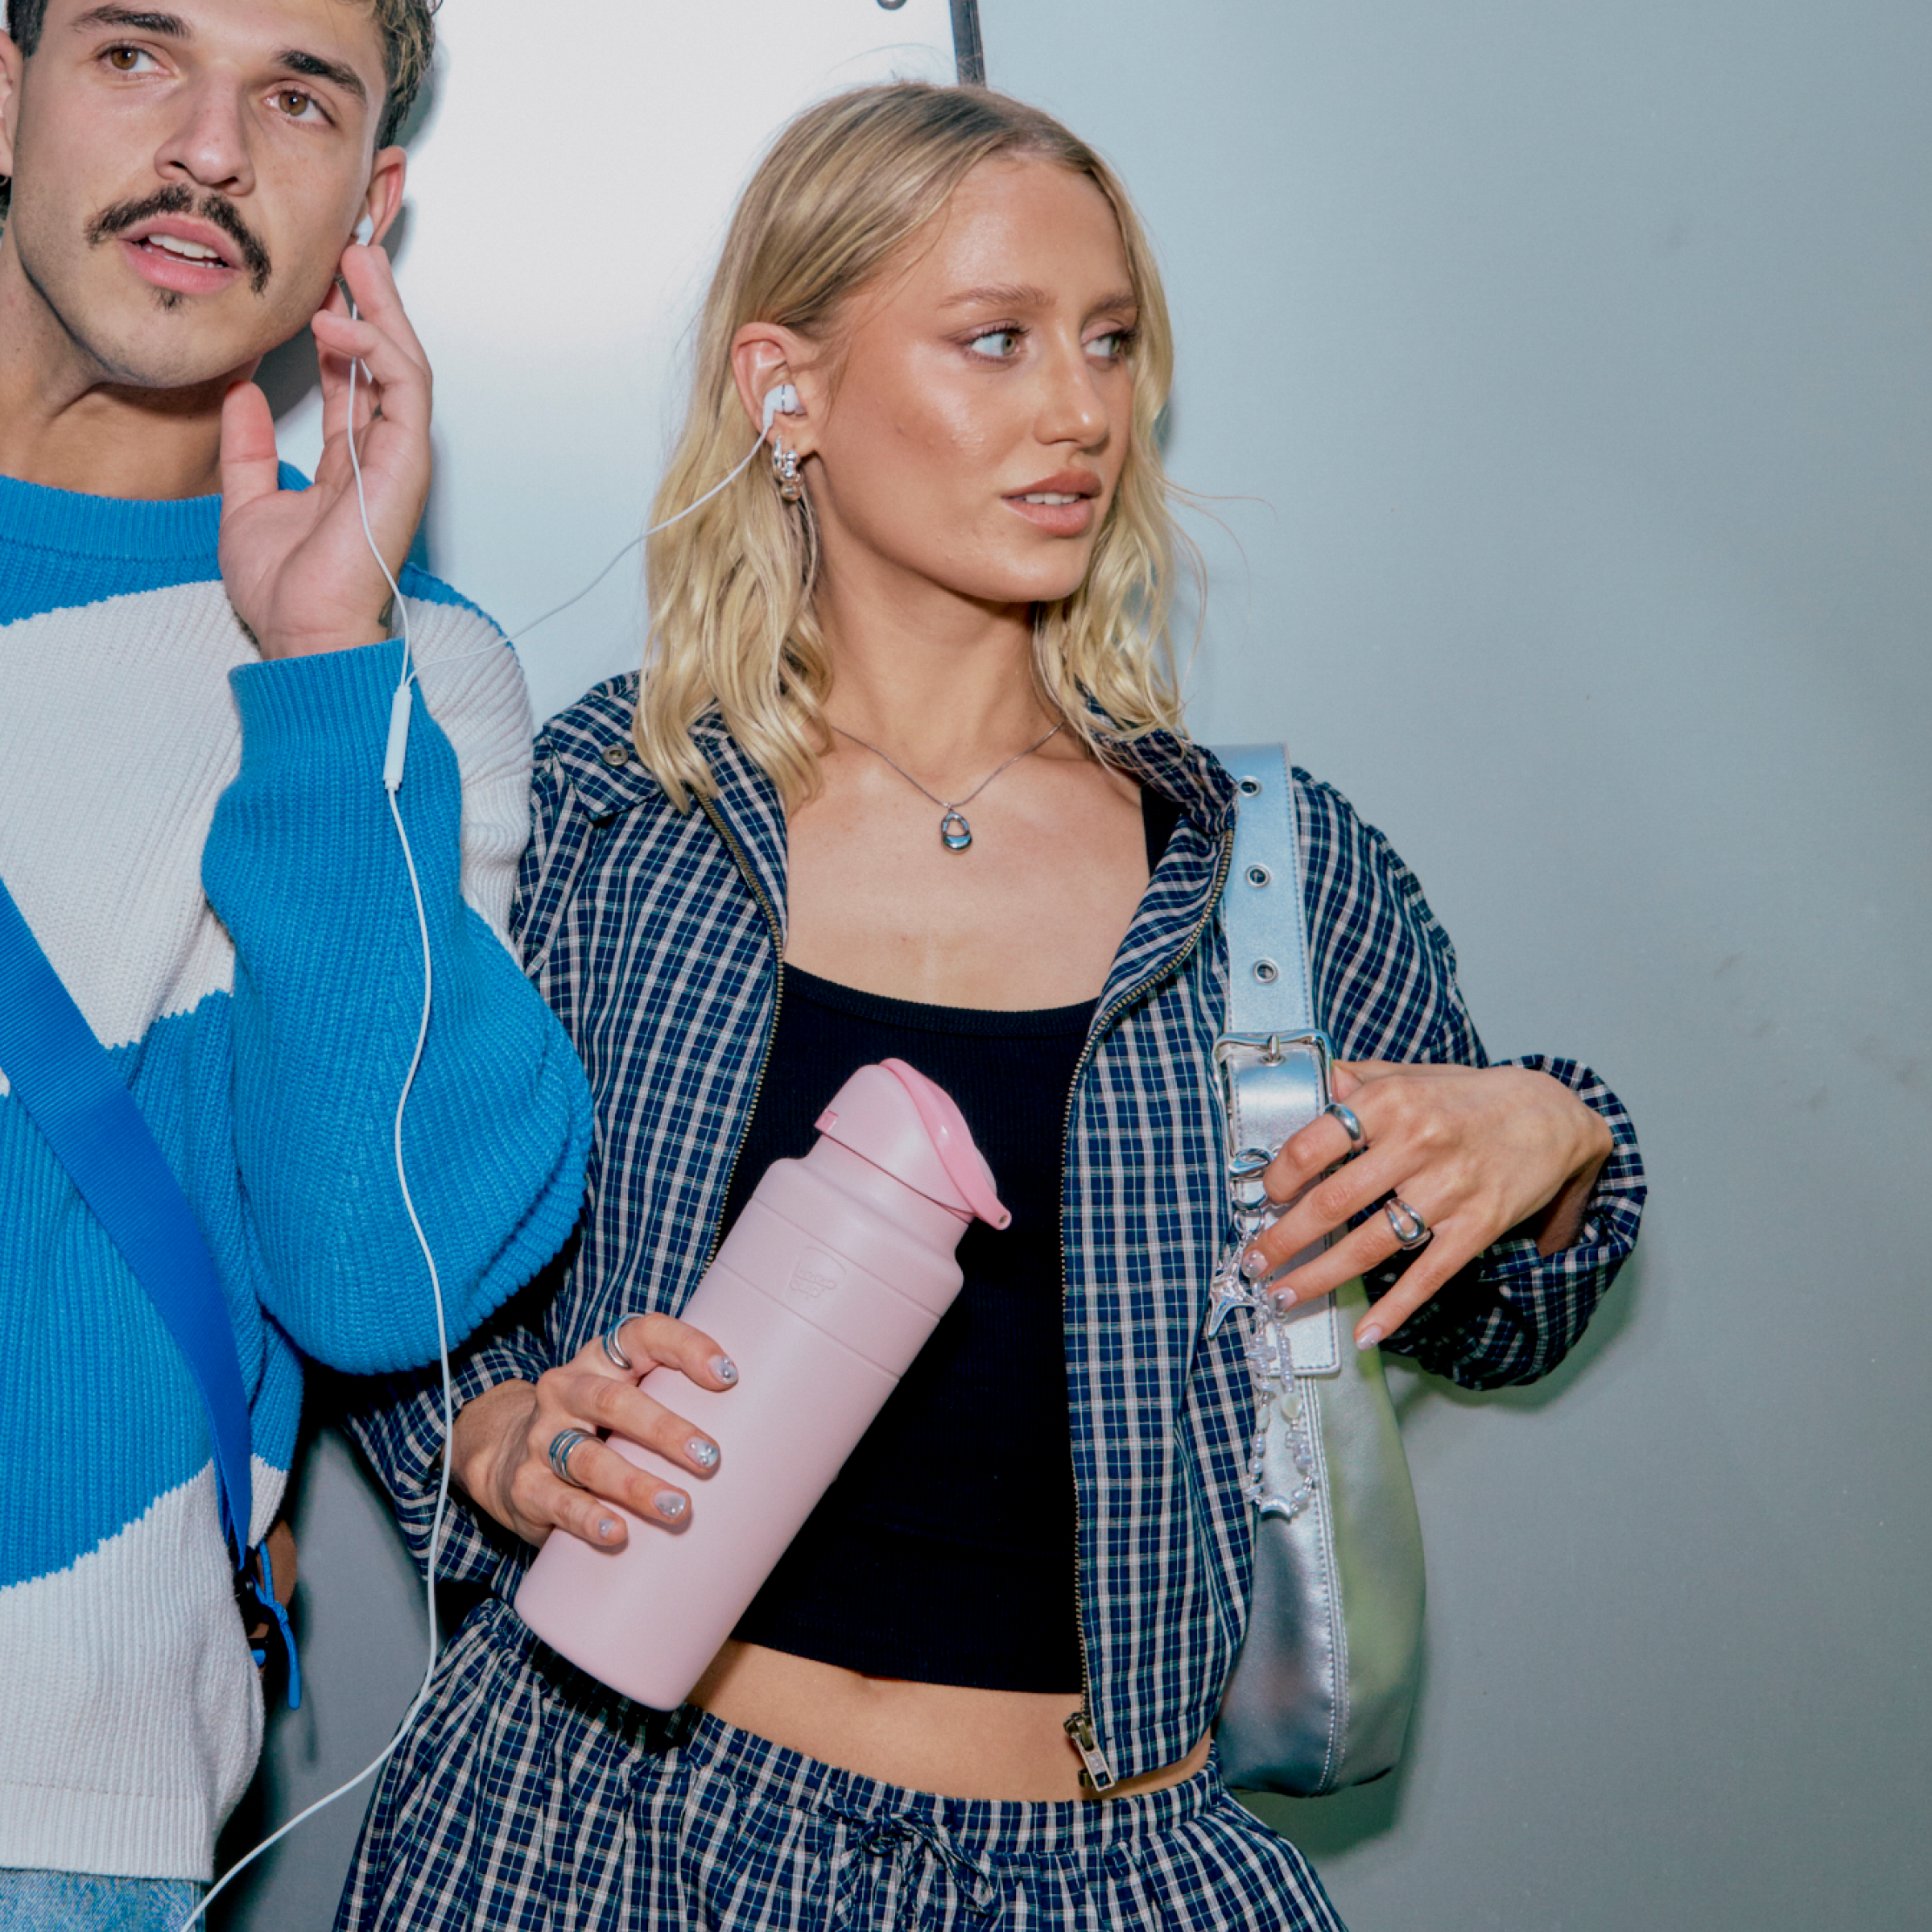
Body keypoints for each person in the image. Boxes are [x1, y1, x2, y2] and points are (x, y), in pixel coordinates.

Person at [340, 83, 1646, 1930]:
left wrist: (1558, 1137)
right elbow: (392, 1232)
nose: (1082, 410)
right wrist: (484, 1436)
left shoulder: (1265, 866)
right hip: (602, 1829)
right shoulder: (611, 819)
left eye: (1112, 343)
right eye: (998, 341)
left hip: (1099, 1869)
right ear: (782, 384)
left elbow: (1504, 1314)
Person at [0, 0, 592, 1922]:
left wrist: (328, 678)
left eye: (297, 95)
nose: (210, 150)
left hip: (49, 1797)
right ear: (1, 89)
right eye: (136, 54)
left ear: (372, 203)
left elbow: (377, 1265)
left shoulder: (417, 680)